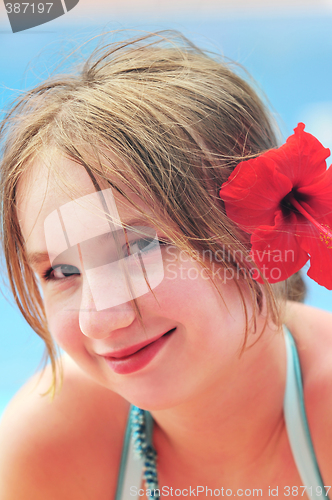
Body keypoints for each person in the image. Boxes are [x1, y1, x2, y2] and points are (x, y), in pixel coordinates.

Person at [0, 31, 331, 500]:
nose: (101, 318)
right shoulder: (49, 446)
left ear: (261, 229)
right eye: (62, 272)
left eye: (139, 246)